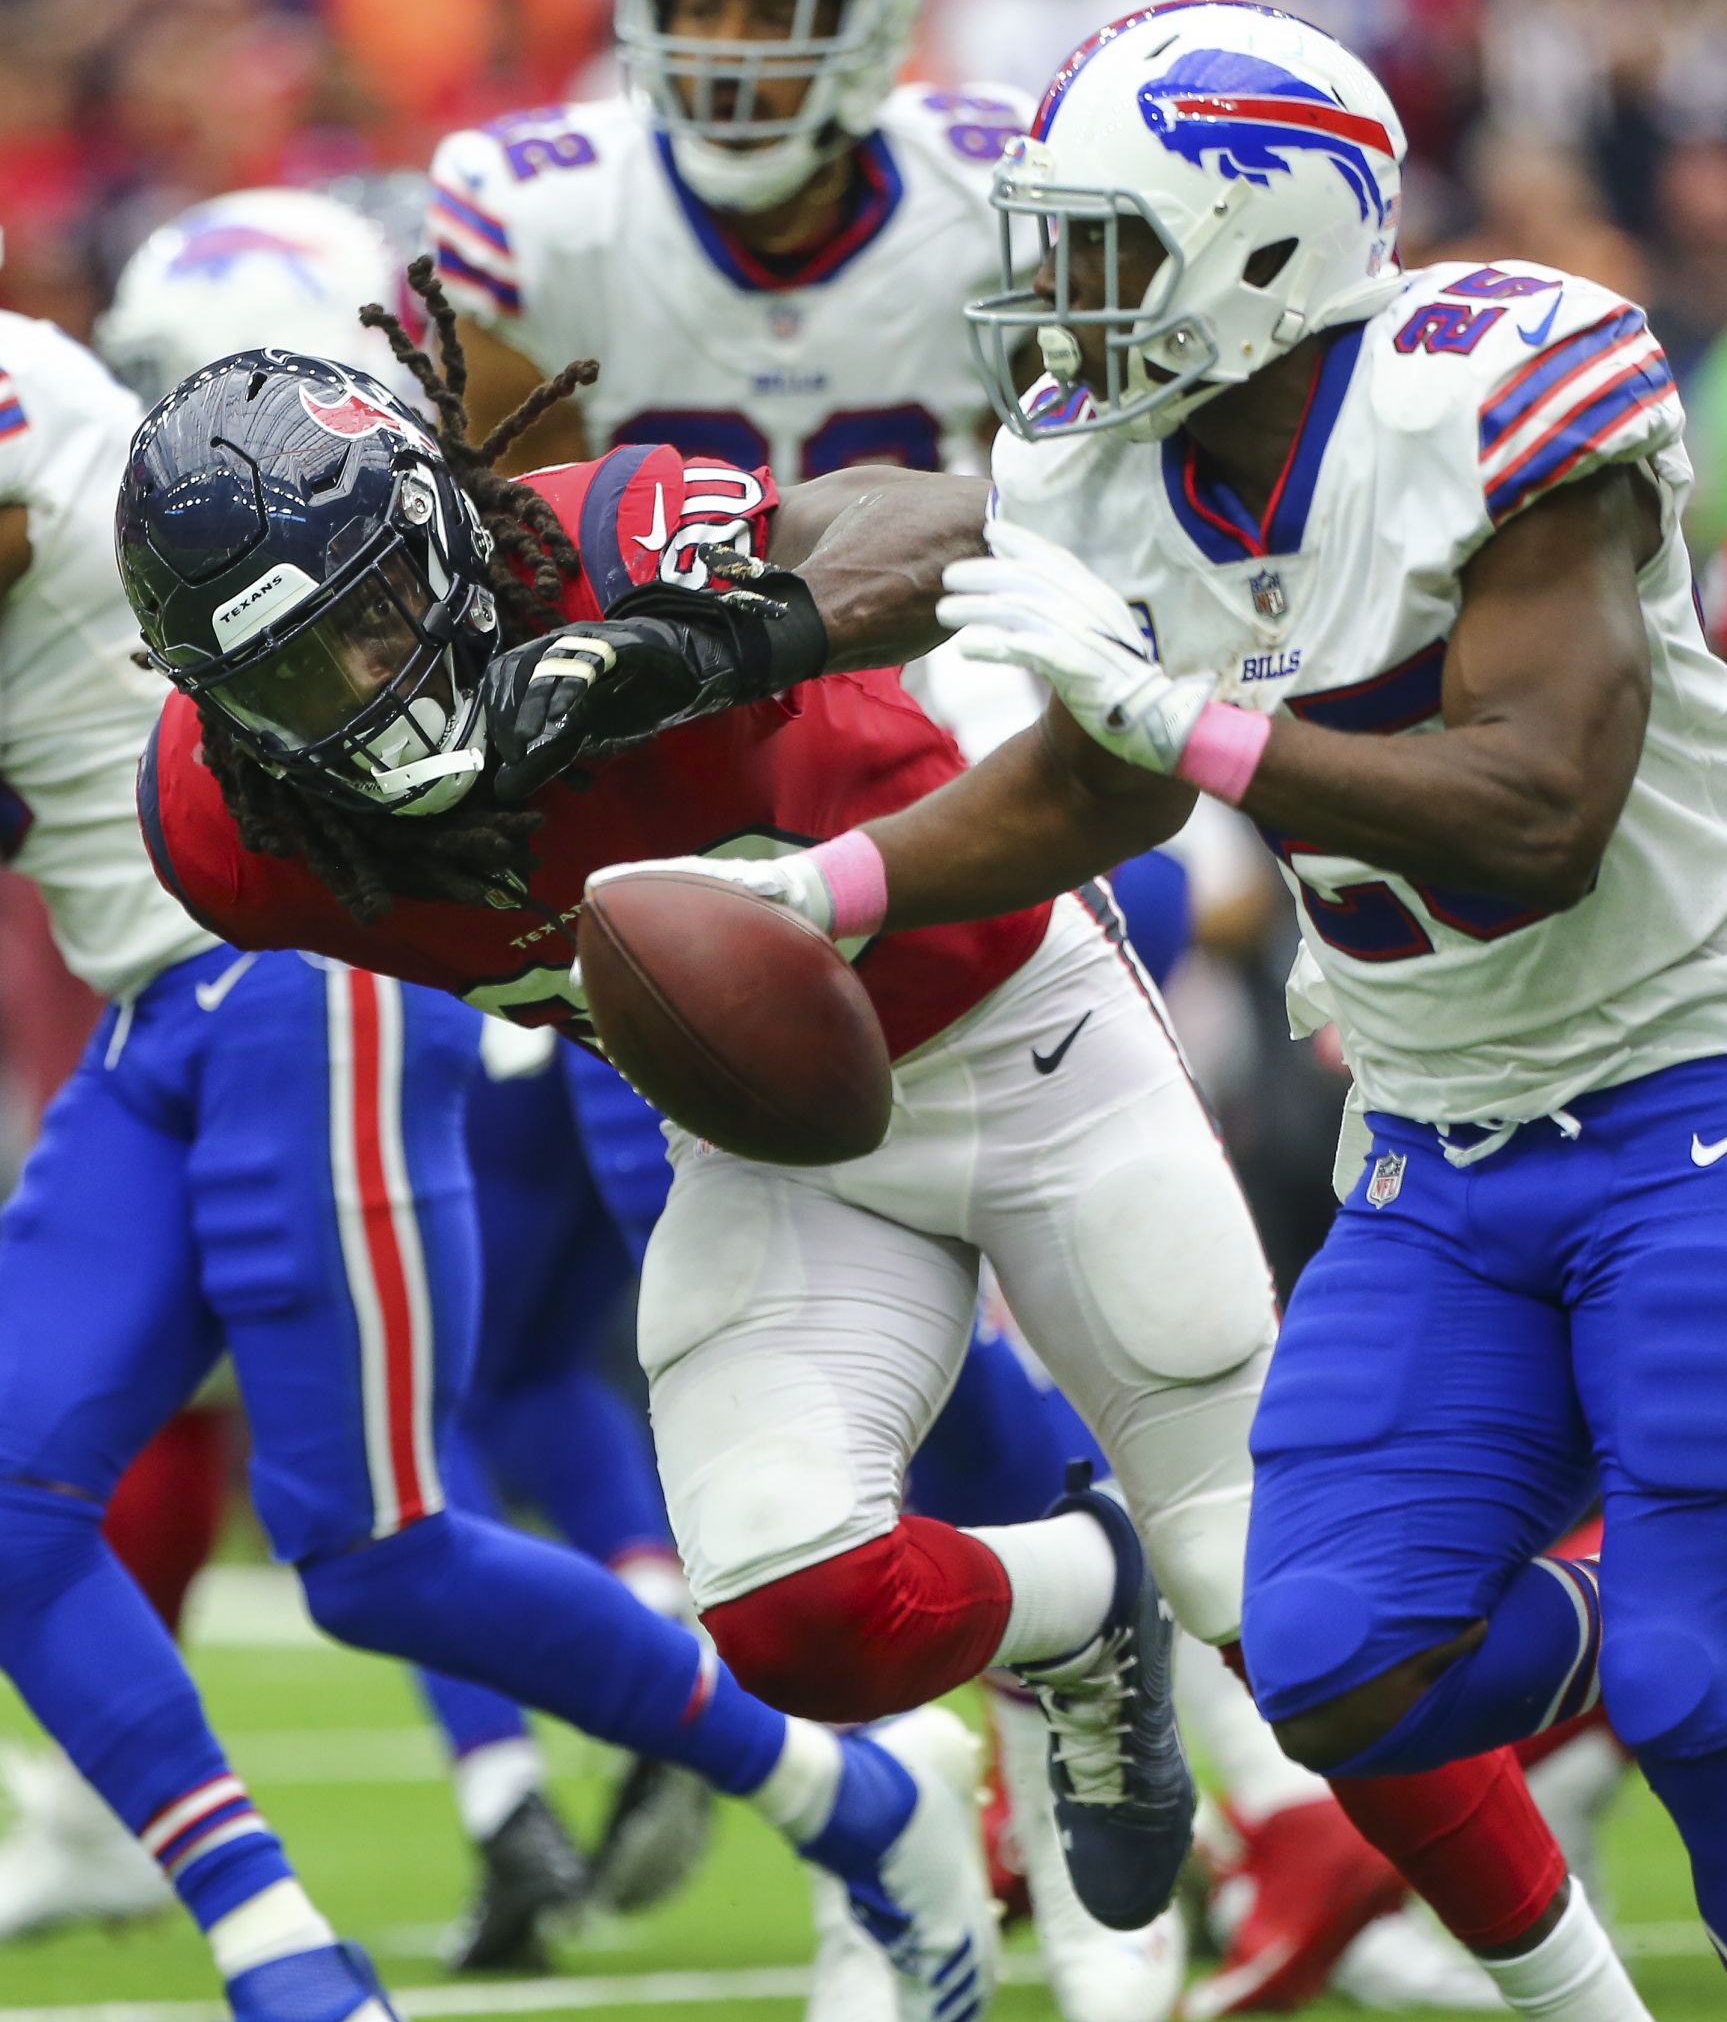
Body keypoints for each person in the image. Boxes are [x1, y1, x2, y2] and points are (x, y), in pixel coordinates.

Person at [132, 252, 1627, 2018]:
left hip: (1014, 1022)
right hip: (767, 1132)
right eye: (297, 676)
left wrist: (690, 644)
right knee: (785, 1607)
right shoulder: (222, 836)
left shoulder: (593, 539)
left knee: (1277, 1599)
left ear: (447, 530)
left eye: (376, 613)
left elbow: (944, 521)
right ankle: (1080, 1607)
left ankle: (1578, 1995)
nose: (366, 686)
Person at [577, 0, 1700, 2016]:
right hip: (1433, 1134)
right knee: (1342, 1660)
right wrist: (824, 892)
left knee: (1691, 1692)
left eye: (1094, 246)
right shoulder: (1102, 469)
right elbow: (1089, 781)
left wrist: (1202, 726)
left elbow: (1533, 807)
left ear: (1265, 243)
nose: (1046, 301)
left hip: (1676, 1090)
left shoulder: (1494, 384)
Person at [0, 305, 995, 2022]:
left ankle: (861, 1795)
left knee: (373, 1541)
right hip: (154, 1003)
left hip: (296, 974)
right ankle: (286, 1960)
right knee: (10, 1500)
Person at [428, 0, 1028, 474]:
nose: (726, 56)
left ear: (870, 30)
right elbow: (518, 531)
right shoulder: (538, 216)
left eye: (775, 15)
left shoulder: (989, 197)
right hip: (630, 615)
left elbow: (1048, 487)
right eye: (699, 8)